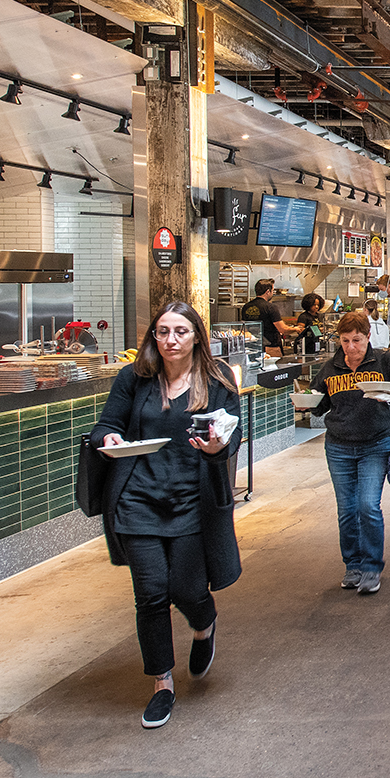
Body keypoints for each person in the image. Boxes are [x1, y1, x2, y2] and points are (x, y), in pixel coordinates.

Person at [91, 301, 243, 729]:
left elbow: (230, 437)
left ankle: (203, 621)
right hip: (136, 500)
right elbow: (104, 426)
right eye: (162, 332)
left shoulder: (216, 382)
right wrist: (112, 437)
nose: (170, 340)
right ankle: (161, 683)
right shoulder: (134, 378)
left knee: (187, 588)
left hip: (191, 500)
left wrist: (217, 448)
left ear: (196, 335)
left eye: (179, 331)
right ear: (153, 337)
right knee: (152, 593)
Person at [309, 311, 390, 596]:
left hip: (376, 443)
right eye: (345, 341)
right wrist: (306, 404)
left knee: (368, 506)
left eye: (356, 340)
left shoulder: (385, 361)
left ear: (368, 337)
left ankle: (371, 566)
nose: (351, 347)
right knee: (346, 509)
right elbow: (319, 404)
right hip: (338, 445)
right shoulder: (331, 368)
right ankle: (352, 564)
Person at [240, 278, 295, 357]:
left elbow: (244, 330)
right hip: (271, 348)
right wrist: (296, 329)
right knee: (274, 368)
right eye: (272, 291)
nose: (272, 293)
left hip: (253, 348)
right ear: (267, 292)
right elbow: (283, 329)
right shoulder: (270, 307)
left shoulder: (246, 306)